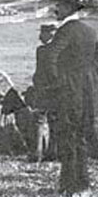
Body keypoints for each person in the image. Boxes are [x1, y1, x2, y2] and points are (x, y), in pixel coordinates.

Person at [45, 0, 98, 195]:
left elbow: (50, 57)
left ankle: (68, 185)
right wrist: (90, 74)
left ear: (69, 7)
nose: (56, 8)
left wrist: (59, 82)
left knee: (67, 136)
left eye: (60, 5)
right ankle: (82, 183)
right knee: (81, 136)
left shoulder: (65, 30)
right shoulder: (89, 31)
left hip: (69, 91)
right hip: (87, 92)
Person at [32, 23, 59, 159]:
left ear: (49, 34)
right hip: (56, 89)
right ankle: (52, 152)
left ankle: (37, 152)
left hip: (43, 90)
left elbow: (39, 72)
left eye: (42, 33)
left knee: (39, 121)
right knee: (54, 121)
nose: (40, 36)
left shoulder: (41, 50)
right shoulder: (61, 50)